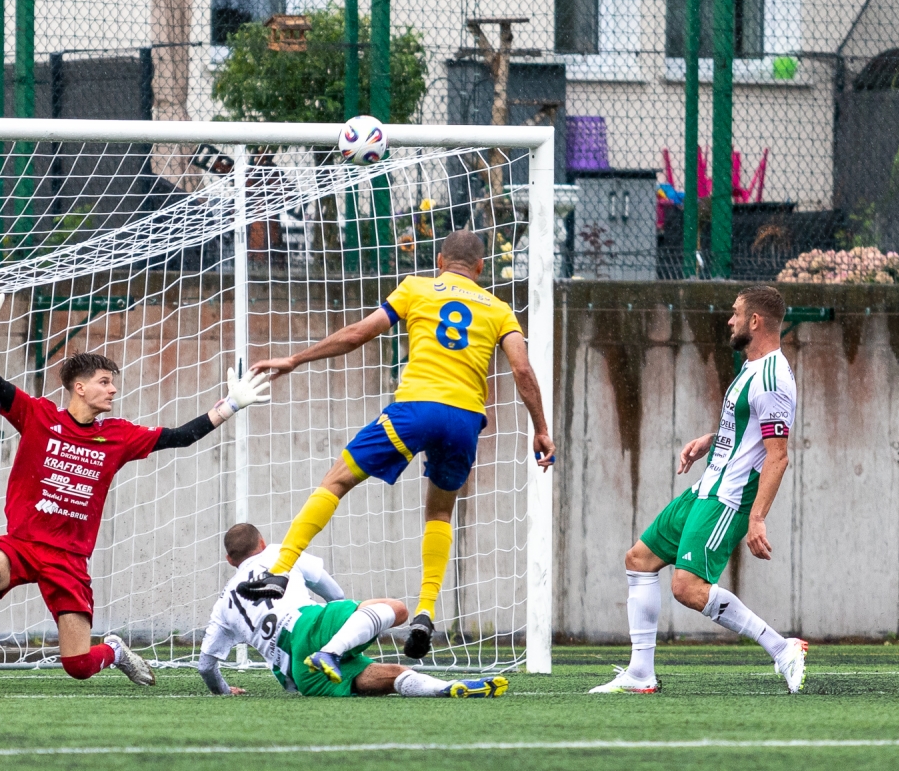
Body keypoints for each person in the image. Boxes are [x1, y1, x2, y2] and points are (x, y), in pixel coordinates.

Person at [0, 276, 271, 688]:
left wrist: (231, 404)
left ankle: (113, 651)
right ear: (79, 388)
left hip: (68, 560)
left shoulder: (118, 435)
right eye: (104, 382)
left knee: (78, 665)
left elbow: (181, 437)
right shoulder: (38, 415)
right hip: (22, 544)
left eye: (112, 382)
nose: (113, 389)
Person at [235, 228, 555, 661]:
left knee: (337, 481)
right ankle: (425, 612)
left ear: (440, 261)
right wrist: (541, 428)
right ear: (481, 268)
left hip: (414, 409)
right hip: (464, 419)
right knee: (440, 511)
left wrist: (295, 358)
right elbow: (522, 370)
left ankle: (279, 571)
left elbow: (358, 334)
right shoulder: (499, 310)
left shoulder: (415, 288)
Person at [594, 285, 808, 694]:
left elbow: (778, 456)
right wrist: (713, 439)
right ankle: (640, 673)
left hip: (728, 498)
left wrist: (757, 518)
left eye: (736, 313)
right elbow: (750, 428)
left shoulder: (773, 378)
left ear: (755, 321)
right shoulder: (752, 368)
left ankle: (783, 649)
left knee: (687, 588)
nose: (730, 320)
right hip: (707, 487)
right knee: (639, 560)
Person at [198, 524, 509, 698]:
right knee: (398, 610)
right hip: (309, 625)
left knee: (389, 676)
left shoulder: (223, 605)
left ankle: (444, 689)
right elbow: (335, 594)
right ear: (263, 543)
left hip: (298, 675)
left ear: (230, 560)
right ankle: (330, 652)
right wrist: (344, 626)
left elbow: (206, 667)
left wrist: (224, 692)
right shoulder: (280, 553)